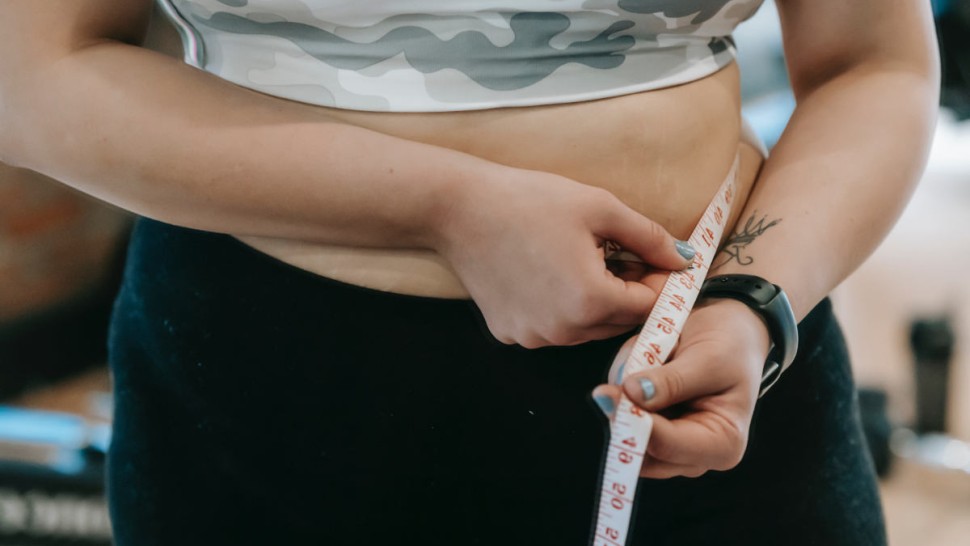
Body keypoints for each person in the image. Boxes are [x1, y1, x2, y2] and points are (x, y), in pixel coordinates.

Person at [0, 1, 938, 545]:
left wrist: (752, 301)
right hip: (272, 394)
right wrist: (444, 208)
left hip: (714, 374)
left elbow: (875, 63)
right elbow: (33, 75)